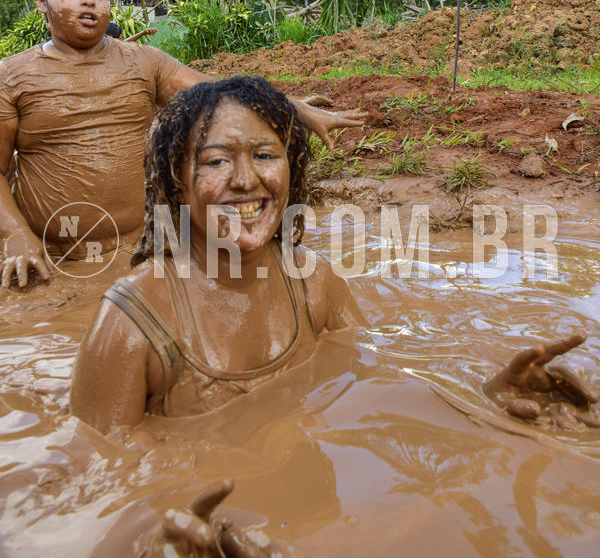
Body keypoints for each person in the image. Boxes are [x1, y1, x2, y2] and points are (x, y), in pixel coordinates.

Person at [71, 76, 598, 431]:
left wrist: (487, 400)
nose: (246, 180)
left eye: (264, 155)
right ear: (177, 184)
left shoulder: (314, 282)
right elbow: (97, 481)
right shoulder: (132, 321)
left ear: (291, 171)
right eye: (214, 161)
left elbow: (377, 380)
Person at [0, 0, 366, 289]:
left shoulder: (144, 61)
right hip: (51, 259)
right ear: (42, 4)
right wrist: (15, 234)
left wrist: (296, 108)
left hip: (146, 249)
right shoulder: (11, 76)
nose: (89, 0)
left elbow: (220, 95)